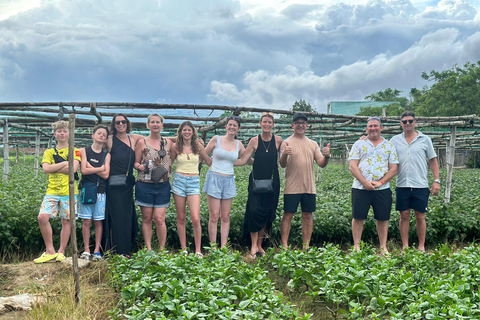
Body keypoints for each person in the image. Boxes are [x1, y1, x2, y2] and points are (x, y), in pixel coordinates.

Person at [279, 113, 330, 251]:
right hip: (292, 186)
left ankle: (306, 246)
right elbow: (282, 164)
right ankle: (284, 245)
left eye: (303, 123)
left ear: (307, 126)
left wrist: (327, 156)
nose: (300, 125)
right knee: (288, 215)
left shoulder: (312, 144)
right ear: (292, 125)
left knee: (307, 216)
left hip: (309, 187)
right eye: (297, 122)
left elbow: (321, 163)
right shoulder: (286, 143)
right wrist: (284, 154)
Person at [390, 111, 440, 251]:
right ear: (401, 124)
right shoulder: (394, 140)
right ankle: (405, 246)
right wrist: (365, 139)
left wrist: (437, 180)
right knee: (404, 215)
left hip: (420, 184)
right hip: (402, 184)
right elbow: (382, 147)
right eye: (405, 121)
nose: (407, 124)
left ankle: (421, 246)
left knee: (420, 215)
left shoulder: (425, 139)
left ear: (415, 122)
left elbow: (432, 160)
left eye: (410, 121)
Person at [235, 112, 282, 259]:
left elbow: (283, 160)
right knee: (254, 211)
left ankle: (261, 245)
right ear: (260, 124)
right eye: (264, 122)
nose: (267, 124)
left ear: (273, 124)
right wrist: (222, 162)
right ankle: (253, 245)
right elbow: (244, 160)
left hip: (272, 183)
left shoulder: (278, 140)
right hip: (256, 182)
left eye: (270, 122)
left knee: (267, 213)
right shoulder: (254, 141)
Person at [348, 116, 398, 254]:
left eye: (376, 126)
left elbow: (394, 168)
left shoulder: (389, 146)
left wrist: (381, 182)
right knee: (358, 217)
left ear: (381, 128)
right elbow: (353, 166)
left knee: (382, 217)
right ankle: (357, 246)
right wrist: (364, 182)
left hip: (382, 188)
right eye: (370, 126)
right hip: (360, 187)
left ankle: (383, 247)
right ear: (366, 129)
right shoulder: (359, 144)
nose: (373, 128)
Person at [34, 120, 81, 263]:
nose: (62, 133)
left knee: (66, 221)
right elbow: (45, 169)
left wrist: (55, 166)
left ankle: (61, 251)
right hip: (52, 190)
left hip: (69, 191)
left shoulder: (75, 150)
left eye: (65, 131)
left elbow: (73, 170)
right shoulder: (48, 152)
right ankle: (50, 250)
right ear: (55, 134)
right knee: (42, 217)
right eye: (59, 131)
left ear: (69, 133)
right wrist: (65, 163)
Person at [103, 114, 144, 256]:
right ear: (113, 125)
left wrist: (178, 139)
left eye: (123, 122)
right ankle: (114, 250)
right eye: (117, 122)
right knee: (116, 216)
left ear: (127, 123)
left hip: (127, 185)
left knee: (126, 216)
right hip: (113, 185)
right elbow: (94, 147)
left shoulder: (133, 139)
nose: (121, 124)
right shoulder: (109, 140)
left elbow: (154, 138)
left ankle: (125, 250)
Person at [204, 115, 246, 248]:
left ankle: (223, 247)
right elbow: (204, 155)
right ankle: (213, 246)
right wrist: (211, 163)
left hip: (229, 180)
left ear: (238, 128)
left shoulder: (239, 145)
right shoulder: (216, 139)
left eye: (235, 125)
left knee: (225, 216)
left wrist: (261, 160)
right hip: (214, 178)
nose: (232, 127)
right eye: (230, 124)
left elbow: (246, 159)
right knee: (214, 216)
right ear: (226, 126)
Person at [134, 114, 174, 251]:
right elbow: (135, 162)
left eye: (158, 122)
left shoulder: (169, 143)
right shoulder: (142, 142)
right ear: (148, 125)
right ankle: (149, 248)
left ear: (162, 125)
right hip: (144, 184)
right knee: (146, 218)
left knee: (159, 218)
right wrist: (141, 167)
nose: (155, 124)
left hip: (163, 185)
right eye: (152, 122)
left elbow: (174, 157)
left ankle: (162, 249)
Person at [171, 121, 212, 256]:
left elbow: (207, 161)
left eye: (189, 130)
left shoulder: (198, 147)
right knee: (181, 217)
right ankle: (184, 249)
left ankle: (198, 250)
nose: (187, 132)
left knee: (195, 218)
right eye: (184, 130)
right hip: (179, 181)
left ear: (193, 132)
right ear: (180, 132)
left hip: (194, 181)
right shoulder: (176, 146)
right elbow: (170, 163)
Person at [78, 124, 111, 261]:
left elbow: (106, 175)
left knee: (98, 222)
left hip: (100, 191)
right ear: (93, 135)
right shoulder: (83, 151)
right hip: (86, 190)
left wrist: (91, 167)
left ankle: (97, 250)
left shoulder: (106, 154)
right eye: (99, 133)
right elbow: (83, 171)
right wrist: (100, 168)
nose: (101, 135)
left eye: (104, 135)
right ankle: (86, 249)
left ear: (105, 140)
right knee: (86, 221)